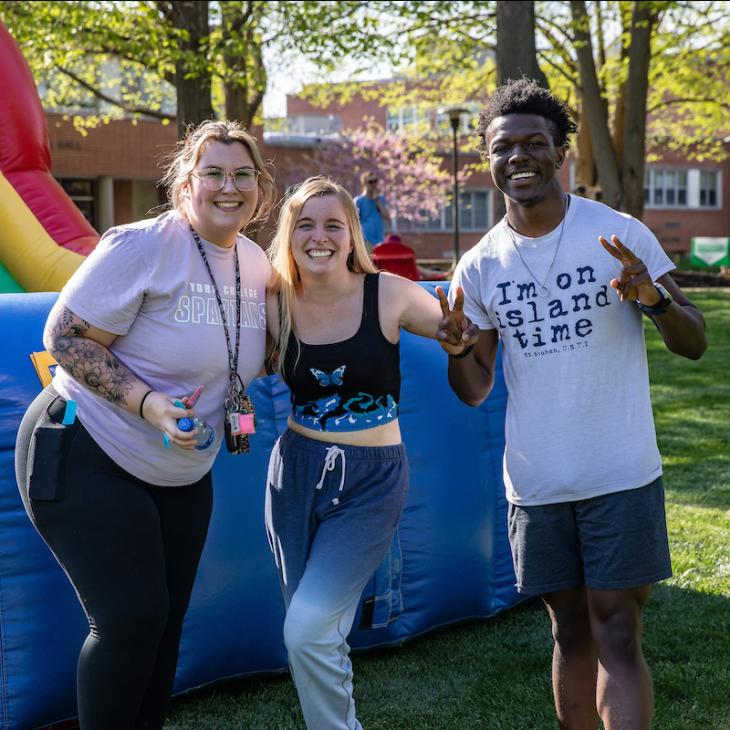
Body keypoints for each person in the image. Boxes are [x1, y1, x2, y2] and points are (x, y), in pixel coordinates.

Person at [443, 79, 707, 730]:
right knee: (570, 635)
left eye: (536, 142)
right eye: (505, 146)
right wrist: (456, 351)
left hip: (619, 471)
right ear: (489, 158)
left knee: (618, 629)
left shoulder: (617, 234)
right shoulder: (477, 267)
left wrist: (654, 299)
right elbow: (476, 389)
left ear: (561, 152)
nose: (520, 156)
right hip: (535, 483)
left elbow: (694, 342)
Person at [14, 120, 276, 730]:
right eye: (213, 172)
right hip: (84, 445)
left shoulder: (256, 263)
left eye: (242, 174)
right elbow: (63, 336)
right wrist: (149, 403)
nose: (228, 186)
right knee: (130, 618)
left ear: (260, 188)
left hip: (183, 469)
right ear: (186, 184)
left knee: (163, 624)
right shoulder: (141, 245)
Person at [264, 176, 476, 730]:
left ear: (352, 233)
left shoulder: (388, 292)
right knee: (312, 631)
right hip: (295, 473)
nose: (319, 236)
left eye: (333, 224)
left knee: (307, 629)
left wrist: (457, 335)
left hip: (371, 480)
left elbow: (451, 331)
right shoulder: (275, 304)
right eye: (305, 224)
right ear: (289, 235)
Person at [354, 170, 390, 248]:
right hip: (365, 239)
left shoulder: (380, 199)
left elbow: (387, 217)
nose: (373, 184)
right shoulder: (358, 201)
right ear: (364, 183)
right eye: (370, 182)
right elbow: (354, 221)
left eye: (375, 181)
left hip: (380, 240)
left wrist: (377, 201)